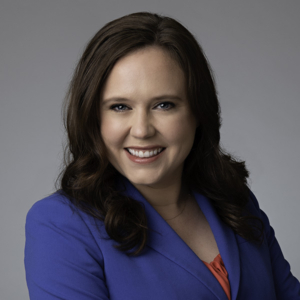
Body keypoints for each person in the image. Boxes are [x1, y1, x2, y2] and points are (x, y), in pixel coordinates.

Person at [24, 12, 300, 300]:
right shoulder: (59, 225)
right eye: (120, 107)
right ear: (94, 118)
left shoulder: (236, 202)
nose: (142, 130)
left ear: (197, 112)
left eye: (164, 105)